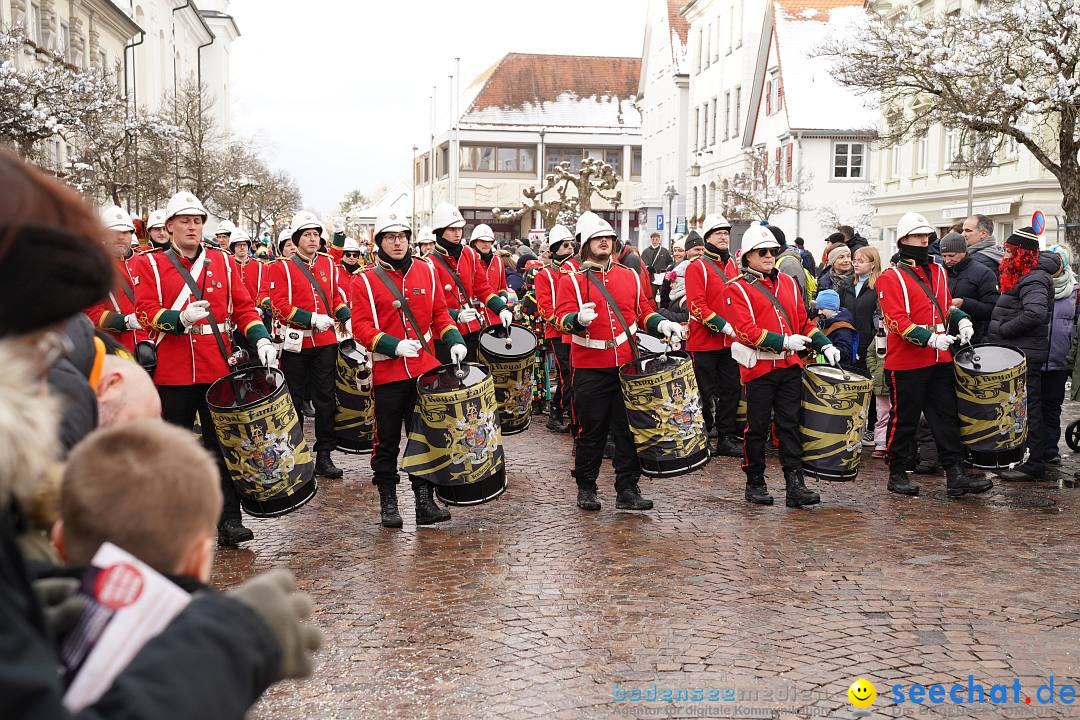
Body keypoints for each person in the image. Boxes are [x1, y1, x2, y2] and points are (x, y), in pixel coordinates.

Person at [132, 191, 278, 546]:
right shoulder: (148, 264)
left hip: (216, 367)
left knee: (223, 446)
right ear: (168, 227)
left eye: (197, 221)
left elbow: (244, 309)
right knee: (176, 449)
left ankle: (229, 520)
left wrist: (260, 339)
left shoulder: (224, 263)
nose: (193, 227)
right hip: (173, 369)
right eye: (185, 221)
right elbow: (144, 311)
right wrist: (178, 318)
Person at [555, 214, 684, 511]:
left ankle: (627, 488)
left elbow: (643, 312)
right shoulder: (571, 280)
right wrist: (576, 320)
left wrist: (662, 324)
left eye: (609, 237)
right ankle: (586, 487)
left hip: (626, 364)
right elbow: (560, 320)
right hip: (590, 365)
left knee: (628, 430)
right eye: (598, 237)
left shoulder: (628, 275)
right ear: (585, 243)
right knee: (592, 431)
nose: (604, 241)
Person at [350, 211, 467, 528]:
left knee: (424, 436)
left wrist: (454, 339)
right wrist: (390, 344)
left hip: (423, 369)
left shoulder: (427, 271)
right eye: (390, 237)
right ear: (380, 243)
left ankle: (423, 501)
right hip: (388, 372)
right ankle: (388, 501)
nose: (397, 242)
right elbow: (359, 327)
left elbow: (441, 314)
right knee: (386, 440)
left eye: (402, 236)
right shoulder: (363, 279)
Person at [876, 211, 991, 497]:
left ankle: (955, 474)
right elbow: (896, 320)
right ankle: (897, 473)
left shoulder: (939, 270)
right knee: (905, 420)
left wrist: (961, 318)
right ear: (903, 240)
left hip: (939, 358)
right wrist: (929, 338)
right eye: (918, 236)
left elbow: (942, 308)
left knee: (946, 417)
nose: (924, 241)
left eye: (927, 236)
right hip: (907, 361)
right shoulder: (892, 276)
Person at [725, 224, 842, 507]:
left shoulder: (788, 283)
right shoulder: (738, 288)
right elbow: (747, 332)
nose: (768, 256)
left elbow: (803, 323)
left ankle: (794, 483)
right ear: (748, 257)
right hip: (760, 368)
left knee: (790, 425)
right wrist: (784, 342)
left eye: (772, 251)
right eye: (761, 252)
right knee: (757, 427)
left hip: (789, 367)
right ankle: (755, 480)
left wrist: (823, 342)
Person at [267, 210, 351, 480]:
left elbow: (335, 298)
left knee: (326, 399)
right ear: (297, 239)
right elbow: (279, 307)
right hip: (297, 343)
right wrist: (311, 318)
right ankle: (298, 453)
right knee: (294, 399)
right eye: (307, 235)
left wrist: (344, 316)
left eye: (316, 234)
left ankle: (324, 454)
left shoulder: (327, 263)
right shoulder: (282, 267)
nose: (313, 239)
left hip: (325, 342)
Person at [989, 228, 1056, 481]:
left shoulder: (1035, 278)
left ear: (1021, 253)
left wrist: (1005, 330)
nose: (1004, 255)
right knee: (1019, 407)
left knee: (1029, 408)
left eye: (1009, 251)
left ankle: (1032, 463)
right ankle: (1021, 458)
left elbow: (1035, 313)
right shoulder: (1024, 275)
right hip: (1017, 352)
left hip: (1025, 354)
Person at [685, 215, 742, 458]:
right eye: (718, 233)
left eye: (726, 233)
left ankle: (727, 436)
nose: (723, 237)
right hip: (704, 341)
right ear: (708, 237)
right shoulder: (696, 266)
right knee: (703, 391)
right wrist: (722, 325)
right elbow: (696, 305)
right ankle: (704, 434)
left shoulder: (731, 266)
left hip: (729, 341)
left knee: (731, 389)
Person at [428, 203, 513, 362]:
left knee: (472, 379)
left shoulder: (470, 254)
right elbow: (431, 306)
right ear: (440, 231)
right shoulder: (429, 263)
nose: (458, 233)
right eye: (452, 229)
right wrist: (456, 315)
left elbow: (483, 289)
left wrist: (501, 308)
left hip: (471, 329)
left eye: (460, 229)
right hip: (443, 334)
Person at [83, 205, 148, 353]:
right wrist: (125, 322)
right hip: (116, 347)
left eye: (126, 232)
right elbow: (92, 314)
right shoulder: (94, 266)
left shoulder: (146, 262)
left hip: (151, 346)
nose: (120, 237)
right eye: (115, 232)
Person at [837, 246, 884, 445]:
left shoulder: (879, 285)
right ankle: (850, 425)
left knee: (872, 387)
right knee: (850, 384)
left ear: (873, 264)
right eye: (855, 259)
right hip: (848, 342)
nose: (855, 263)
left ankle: (871, 428)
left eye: (861, 260)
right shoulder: (846, 284)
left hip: (869, 343)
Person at [534, 224, 577, 435]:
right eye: (565, 245)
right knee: (565, 374)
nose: (570, 248)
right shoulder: (544, 274)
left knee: (577, 373)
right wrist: (564, 323)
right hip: (559, 331)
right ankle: (556, 413)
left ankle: (572, 411)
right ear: (554, 249)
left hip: (578, 330)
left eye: (571, 245)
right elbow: (544, 307)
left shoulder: (578, 269)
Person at [1042, 245, 1076, 466]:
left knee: (1053, 405)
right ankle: (1031, 448)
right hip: (1035, 357)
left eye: (1058, 262)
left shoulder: (1076, 290)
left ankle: (1050, 449)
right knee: (1032, 405)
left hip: (1060, 358)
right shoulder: (1037, 285)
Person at [940, 231, 999, 342]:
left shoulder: (984, 273)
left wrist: (964, 303)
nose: (947, 260)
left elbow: (992, 309)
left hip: (972, 338)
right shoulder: (939, 272)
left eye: (951, 255)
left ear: (963, 251)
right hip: (943, 338)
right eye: (944, 256)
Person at [469, 223, 511, 325]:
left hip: (494, 315)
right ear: (474, 242)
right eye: (482, 241)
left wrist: (502, 298)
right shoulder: (468, 260)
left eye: (489, 241)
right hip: (474, 315)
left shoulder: (498, 260)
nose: (486, 244)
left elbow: (502, 287)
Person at [814, 290, 857, 366]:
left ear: (832, 308)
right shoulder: (822, 321)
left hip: (835, 368)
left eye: (822, 309)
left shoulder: (843, 328)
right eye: (818, 309)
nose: (819, 312)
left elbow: (845, 352)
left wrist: (825, 350)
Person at [641, 231, 674, 299]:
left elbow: (670, 262)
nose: (654, 241)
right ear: (651, 240)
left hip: (662, 276)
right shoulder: (646, 251)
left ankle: (662, 308)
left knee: (664, 296)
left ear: (659, 240)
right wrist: (648, 267)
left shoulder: (664, 251)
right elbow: (642, 263)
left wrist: (668, 271)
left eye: (656, 239)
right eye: (653, 239)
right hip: (652, 277)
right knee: (651, 297)